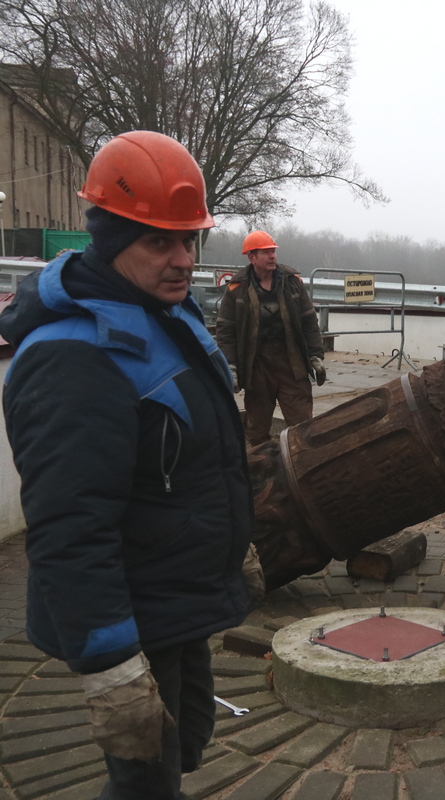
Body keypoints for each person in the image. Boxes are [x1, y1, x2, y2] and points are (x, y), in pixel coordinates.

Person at [0, 130, 260, 799]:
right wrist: (112, 666)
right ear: (111, 242)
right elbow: (69, 528)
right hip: (132, 620)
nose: (182, 260)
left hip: (176, 604)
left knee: (182, 748)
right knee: (144, 779)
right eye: (158, 242)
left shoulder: (156, 316)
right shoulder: (74, 358)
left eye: (189, 240)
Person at [216, 230, 325, 446]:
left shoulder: (293, 283)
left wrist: (315, 357)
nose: (272, 256)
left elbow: (309, 322)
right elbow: (226, 331)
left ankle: (303, 471)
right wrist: (231, 367)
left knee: (303, 426)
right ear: (251, 257)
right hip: (257, 367)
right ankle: (261, 473)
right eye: (265, 252)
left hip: (291, 364)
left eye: (273, 251)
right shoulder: (236, 289)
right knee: (257, 431)